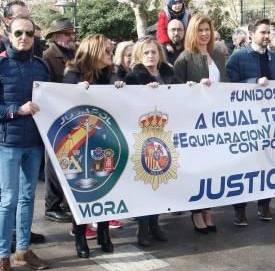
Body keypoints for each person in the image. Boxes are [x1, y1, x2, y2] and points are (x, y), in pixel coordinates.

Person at [63, 34, 126, 257]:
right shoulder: (73, 73)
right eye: (107, 50)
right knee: (81, 188)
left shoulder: (112, 72)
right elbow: (62, 103)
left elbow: (118, 97)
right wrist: (76, 91)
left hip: (104, 138)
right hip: (80, 141)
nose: (111, 53)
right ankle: (80, 235)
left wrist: (119, 86)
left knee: (105, 183)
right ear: (95, 51)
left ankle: (104, 232)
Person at [0, 16, 50, 271]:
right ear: (8, 33)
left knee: (28, 197)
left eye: (29, 34)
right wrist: (15, 110)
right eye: (18, 32)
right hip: (8, 142)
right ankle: (2, 256)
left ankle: (22, 250)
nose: (24, 37)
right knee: (8, 200)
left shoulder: (41, 67)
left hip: (34, 142)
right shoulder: (1, 66)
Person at [226, 18, 275, 225]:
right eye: (263, 32)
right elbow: (229, 87)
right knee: (243, 164)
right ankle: (239, 209)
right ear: (251, 34)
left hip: (271, 119)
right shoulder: (238, 57)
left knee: (268, 162)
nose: (267, 36)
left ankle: (264, 203)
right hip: (246, 120)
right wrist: (253, 83)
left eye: (269, 32)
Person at [174, 14, 226, 233]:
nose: (204, 34)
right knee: (199, 167)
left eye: (207, 29)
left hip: (218, 119)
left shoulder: (218, 54)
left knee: (213, 167)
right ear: (193, 33)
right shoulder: (185, 58)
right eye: (200, 30)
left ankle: (208, 209)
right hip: (195, 121)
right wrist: (195, 86)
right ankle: (197, 211)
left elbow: (227, 83)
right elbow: (176, 90)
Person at [125, 38, 179, 246]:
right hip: (144, 134)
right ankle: (143, 227)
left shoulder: (169, 74)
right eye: (146, 52)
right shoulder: (133, 77)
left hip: (166, 134)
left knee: (161, 181)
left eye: (154, 52)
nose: (150, 56)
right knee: (145, 181)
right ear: (139, 55)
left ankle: (156, 223)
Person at [42, 18, 77, 223]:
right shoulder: (48, 56)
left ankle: (65, 202)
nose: (71, 37)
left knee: (70, 161)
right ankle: (52, 205)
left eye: (72, 33)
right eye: (66, 33)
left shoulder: (75, 54)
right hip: (55, 116)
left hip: (73, 115)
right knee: (54, 163)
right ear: (56, 36)